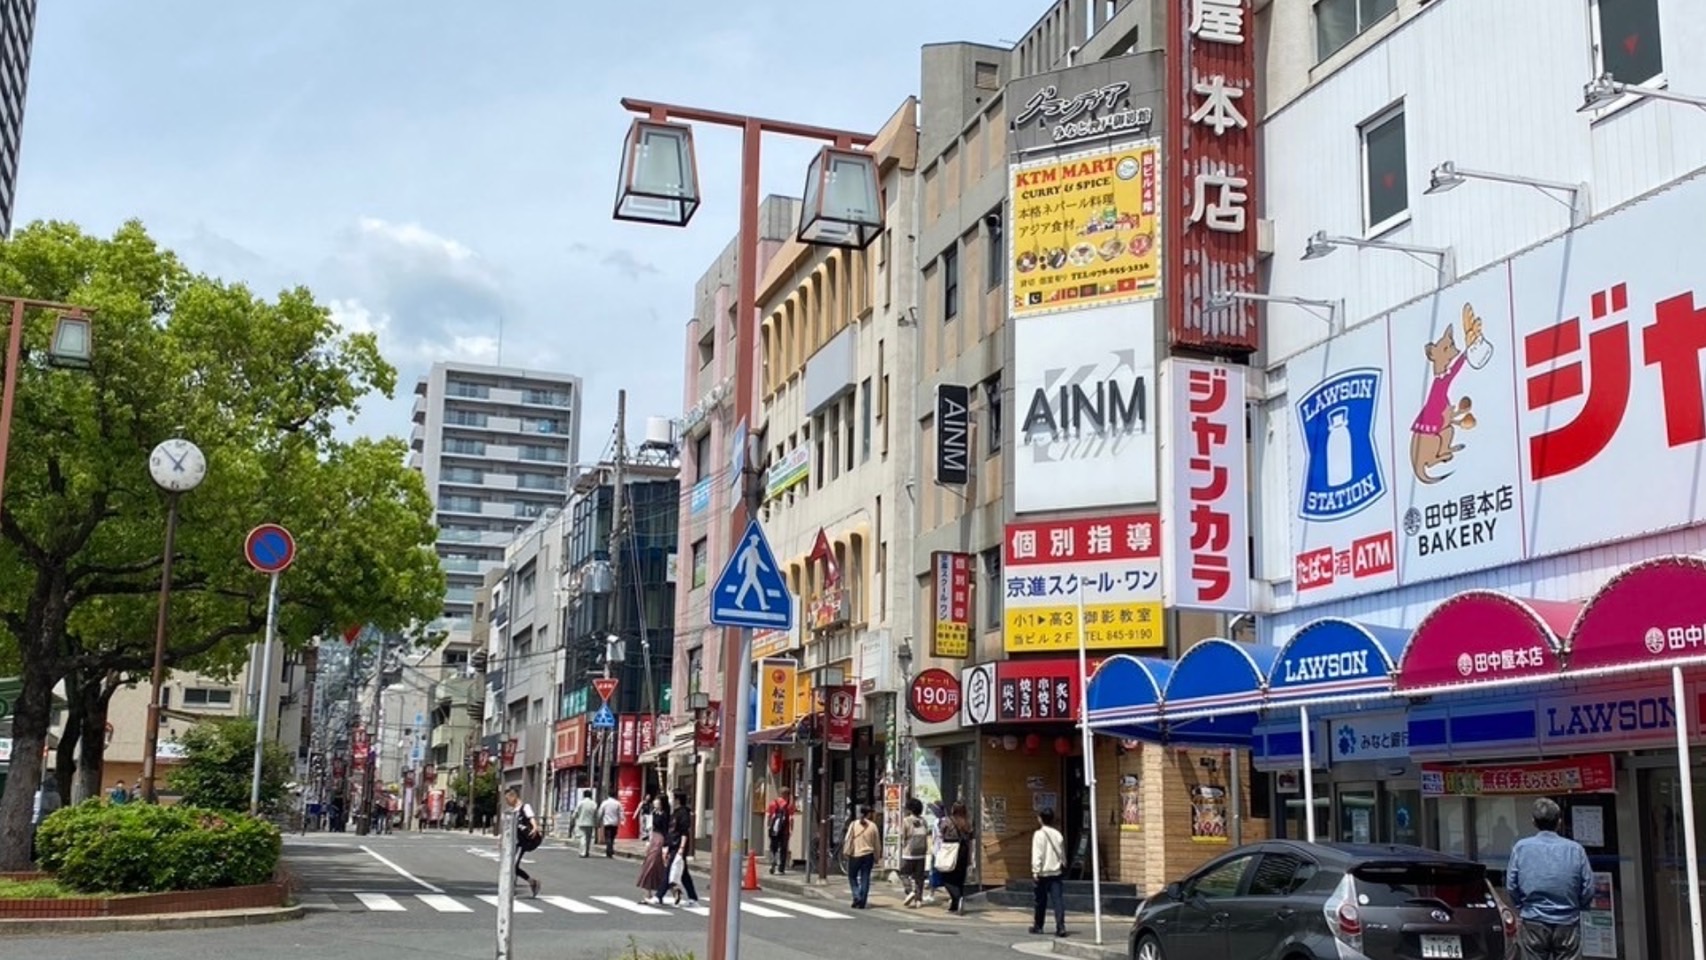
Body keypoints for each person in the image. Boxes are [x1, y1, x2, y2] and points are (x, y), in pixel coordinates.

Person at [1507, 797, 1594, 960]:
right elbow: (1588, 886)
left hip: (1533, 919)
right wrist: (1579, 906)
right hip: (1567, 920)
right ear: (1559, 822)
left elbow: (1511, 885)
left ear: (1533, 822)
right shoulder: (1575, 849)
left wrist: (1521, 906)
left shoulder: (1521, 847)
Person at [1029, 808, 1067, 937]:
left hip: (1043, 873)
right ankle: (1061, 926)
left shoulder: (1038, 835)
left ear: (1040, 819)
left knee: (1040, 901)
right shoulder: (1058, 834)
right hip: (1056, 872)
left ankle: (1038, 926)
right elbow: (1062, 853)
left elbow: (1037, 854)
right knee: (1058, 901)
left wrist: (1035, 871)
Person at [659, 790, 700, 906]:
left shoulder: (683, 813)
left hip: (678, 846)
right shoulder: (675, 813)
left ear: (677, 799)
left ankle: (659, 895)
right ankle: (693, 898)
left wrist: (682, 848)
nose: (671, 800)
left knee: (669, 870)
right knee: (684, 874)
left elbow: (684, 833)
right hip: (673, 845)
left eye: (672, 797)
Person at [503, 787, 543, 898]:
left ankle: (517, 886)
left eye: (507, 799)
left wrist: (535, 827)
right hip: (515, 842)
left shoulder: (525, 807)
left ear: (513, 796)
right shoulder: (512, 811)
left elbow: (531, 818)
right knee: (512, 865)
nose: (507, 801)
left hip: (522, 842)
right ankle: (530, 883)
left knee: (513, 865)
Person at [937, 801, 974, 914]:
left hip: (950, 849)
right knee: (959, 878)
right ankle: (955, 905)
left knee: (946, 876)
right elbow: (971, 837)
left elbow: (941, 831)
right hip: (964, 850)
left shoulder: (948, 820)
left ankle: (957, 898)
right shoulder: (967, 822)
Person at [843, 804, 881, 909]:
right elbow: (877, 843)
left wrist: (846, 851)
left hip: (855, 854)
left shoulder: (854, 824)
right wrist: (877, 856)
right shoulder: (873, 826)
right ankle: (862, 901)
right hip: (868, 855)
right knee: (865, 878)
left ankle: (856, 895)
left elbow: (848, 839)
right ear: (869, 814)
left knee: (852, 876)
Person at [635, 795, 671, 903]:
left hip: (660, 840)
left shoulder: (665, 815)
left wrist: (666, 846)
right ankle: (649, 893)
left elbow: (666, 831)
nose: (655, 802)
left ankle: (672, 888)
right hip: (653, 839)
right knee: (649, 865)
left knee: (655, 865)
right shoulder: (654, 813)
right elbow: (651, 828)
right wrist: (648, 841)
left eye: (657, 800)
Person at [899, 798, 929, 907]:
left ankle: (909, 891)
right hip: (921, 854)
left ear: (910, 809)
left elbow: (902, 836)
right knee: (919, 877)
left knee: (903, 874)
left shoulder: (906, 821)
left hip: (908, 853)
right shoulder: (923, 821)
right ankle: (918, 900)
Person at [766, 787, 795, 874]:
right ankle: (781, 868)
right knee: (783, 848)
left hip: (774, 829)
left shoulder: (773, 803)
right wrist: (791, 830)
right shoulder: (789, 805)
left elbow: (768, 816)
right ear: (787, 795)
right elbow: (791, 818)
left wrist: (769, 826)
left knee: (773, 847)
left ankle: (773, 861)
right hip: (784, 830)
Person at [572, 788, 599, 857]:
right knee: (589, 838)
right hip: (590, 823)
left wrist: (574, 818)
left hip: (581, 822)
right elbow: (596, 814)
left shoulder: (581, 803)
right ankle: (587, 851)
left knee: (583, 837)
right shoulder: (593, 803)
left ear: (584, 795)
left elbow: (576, 812)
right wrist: (597, 822)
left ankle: (583, 852)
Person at [598, 791, 624, 858]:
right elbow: (621, 813)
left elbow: (600, 812)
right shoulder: (618, 803)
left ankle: (609, 850)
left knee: (608, 837)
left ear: (609, 795)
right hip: (614, 823)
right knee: (612, 837)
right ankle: (610, 850)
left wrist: (598, 820)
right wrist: (622, 820)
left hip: (607, 822)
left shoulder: (605, 803)